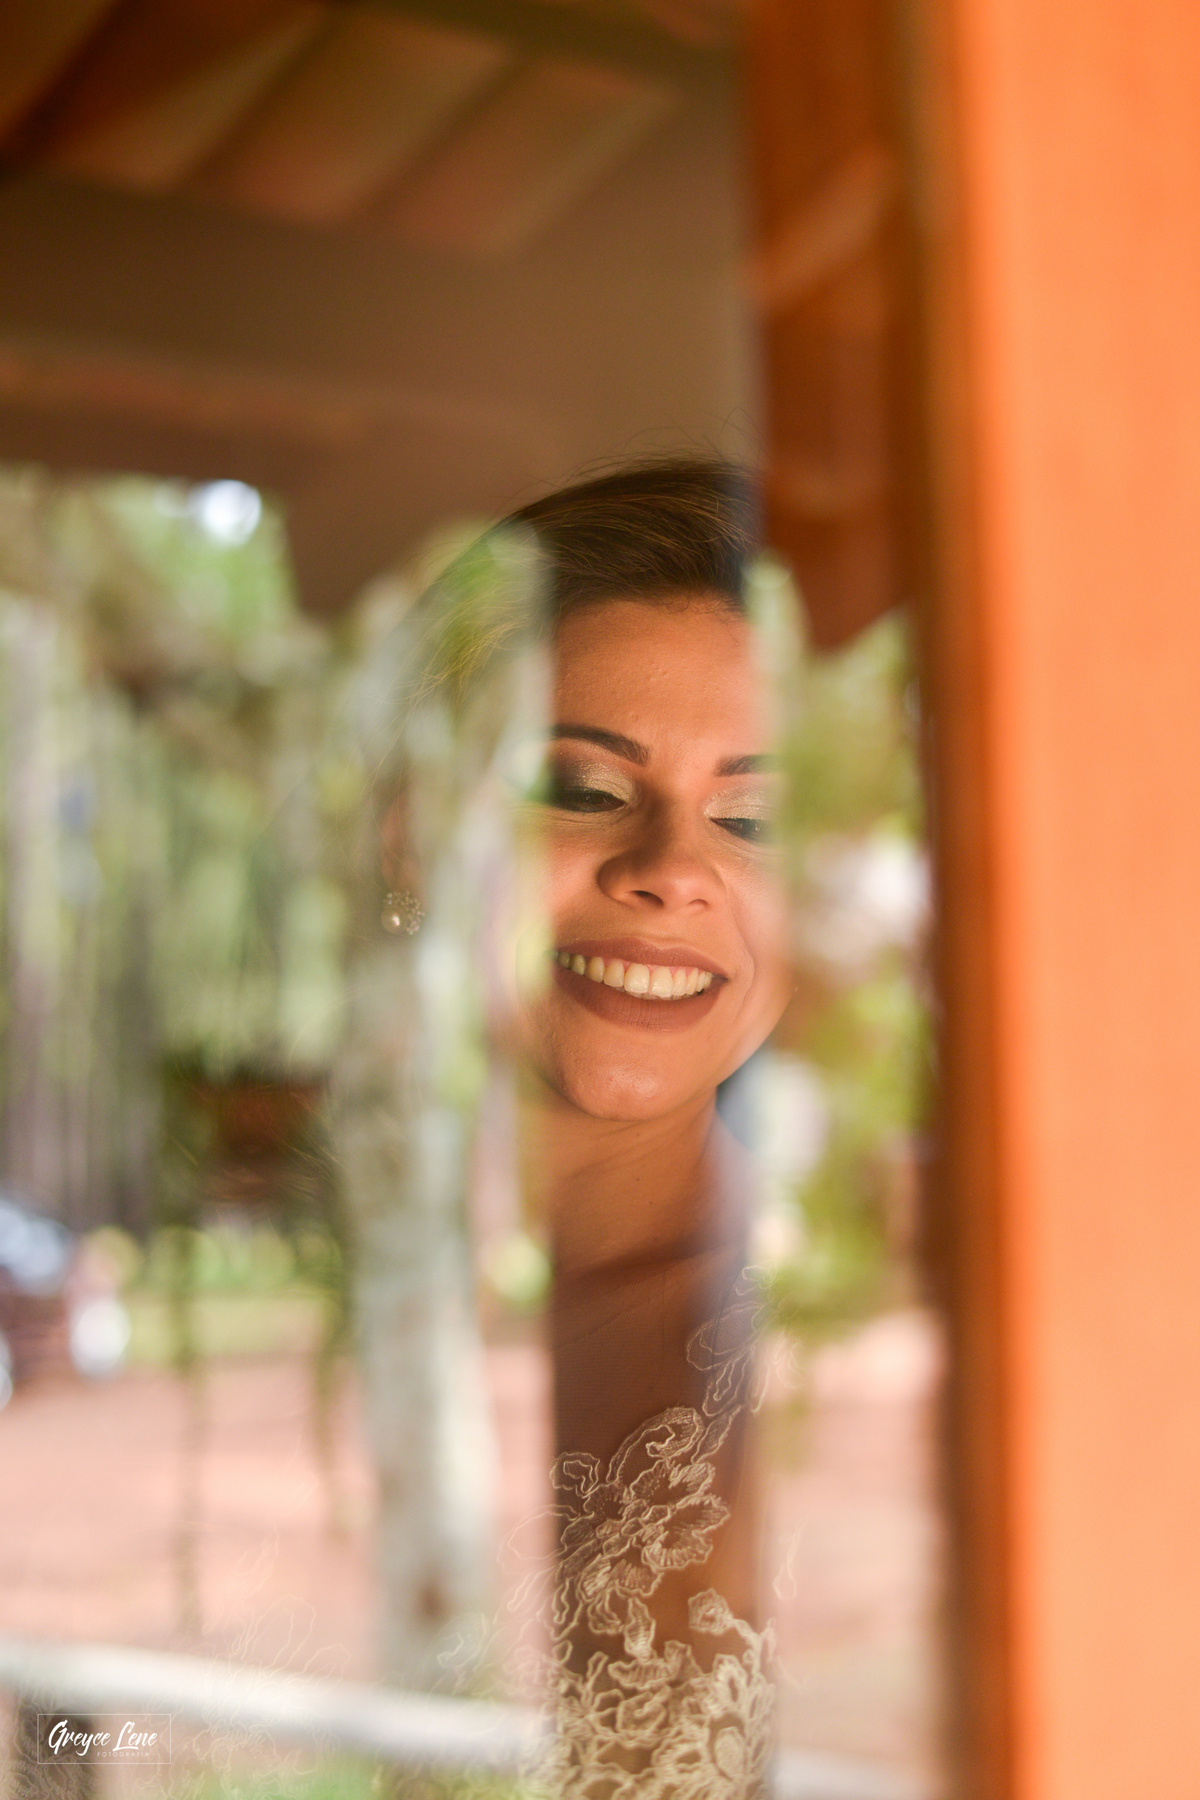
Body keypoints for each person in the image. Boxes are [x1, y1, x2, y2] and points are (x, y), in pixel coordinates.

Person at [380, 461, 796, 1797]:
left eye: (755, 816)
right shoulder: (241, 1313)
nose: (672, 869)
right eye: (580, 786)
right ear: (412, 838)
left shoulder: (878, 1364)